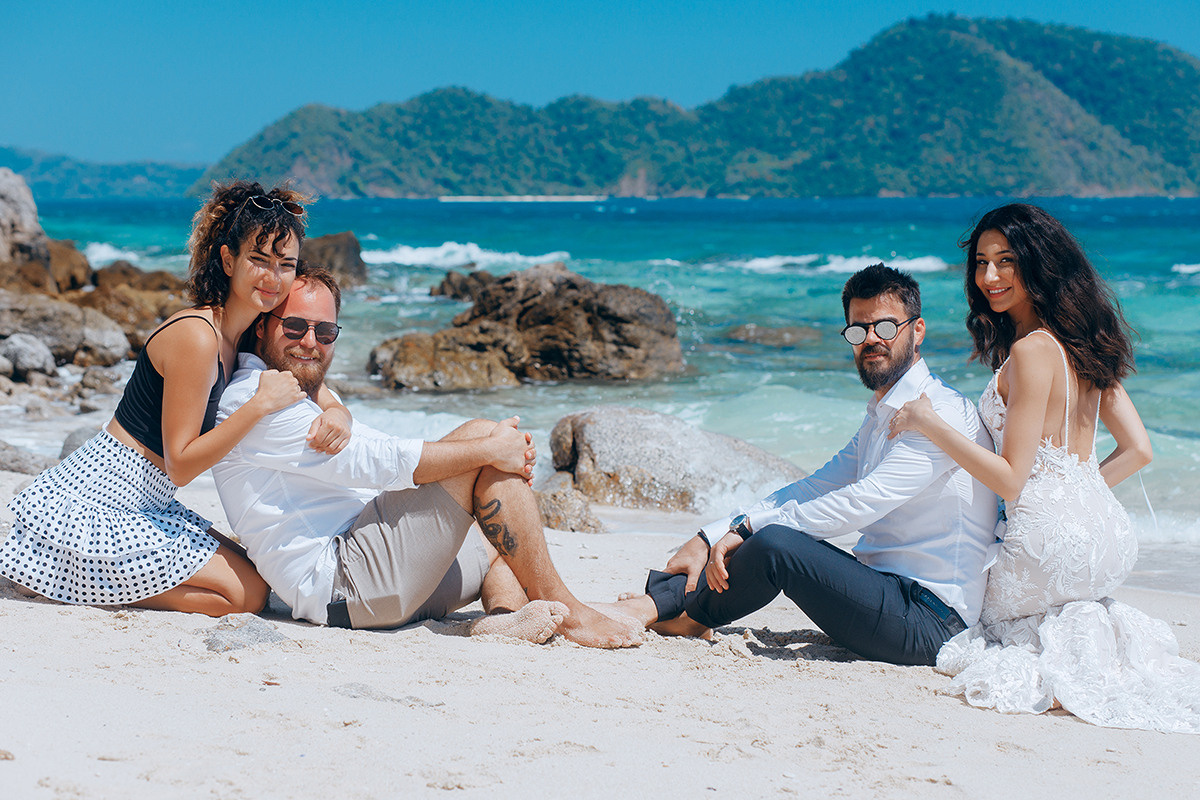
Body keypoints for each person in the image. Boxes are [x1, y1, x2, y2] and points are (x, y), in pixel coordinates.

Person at [889, 203, 1199, 733]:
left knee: (968, 614)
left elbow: (1010, 477)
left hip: (1045, 546)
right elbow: (1140, 450)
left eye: (1005, 261)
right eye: (982, 263)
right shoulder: (1086, 342)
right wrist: (1075, 500)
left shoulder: (1033, 351)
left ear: (1039, 261)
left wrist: (927, 421)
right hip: (1107, 540)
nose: (989, 277)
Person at [211, 268, 642, 648]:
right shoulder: (257, 401)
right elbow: (371, 460)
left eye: (325, 333)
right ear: (263, 327)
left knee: (498, 537)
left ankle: (504, 618)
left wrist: (338, 408)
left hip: (374, 581)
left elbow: (351, 431)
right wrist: (490, 450)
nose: (311, 342)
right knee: (478, 437)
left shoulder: (293, 390)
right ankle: (570, 611)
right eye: (295, 327)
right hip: (343, 580)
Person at [604, 264, 998, 666]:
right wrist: (711, 536)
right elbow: (813, 487)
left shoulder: (940, 412)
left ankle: (676, 612)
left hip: (931, 621)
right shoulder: (881, 414)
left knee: (777, 542)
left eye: (885, 327)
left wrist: (747, 529)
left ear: (917, 331)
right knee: (775, 531)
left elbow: (862, 501)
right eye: (858, 331)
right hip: (887, 592)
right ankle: (669, 603)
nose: (871, 341)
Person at [1, 181, 352, 616]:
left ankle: (82, 574)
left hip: (150, 500)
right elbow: (181, 464)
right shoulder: (197, 336)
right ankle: (72, 578)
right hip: (102, 499)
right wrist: (257, 406)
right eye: (258, 259)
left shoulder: (241, 334)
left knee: (260, 572)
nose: (272, 277)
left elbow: (305, 377)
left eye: (285, 264)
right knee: (248, 597)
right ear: (228, 259)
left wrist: (338, 411)